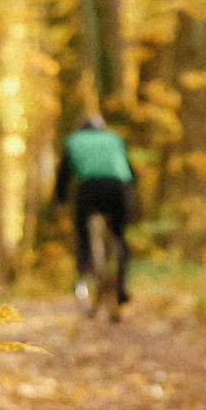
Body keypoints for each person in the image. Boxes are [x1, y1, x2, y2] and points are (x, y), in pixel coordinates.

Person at [53, 114, 134, 305]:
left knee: (83, 231)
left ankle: (84, 271)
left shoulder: (75, 140)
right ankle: (121, 286)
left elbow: (64, 173)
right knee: (119, 235)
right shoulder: (115, 138)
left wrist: (59, 198)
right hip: (119, 187)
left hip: (89, 188)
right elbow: (129, 169)